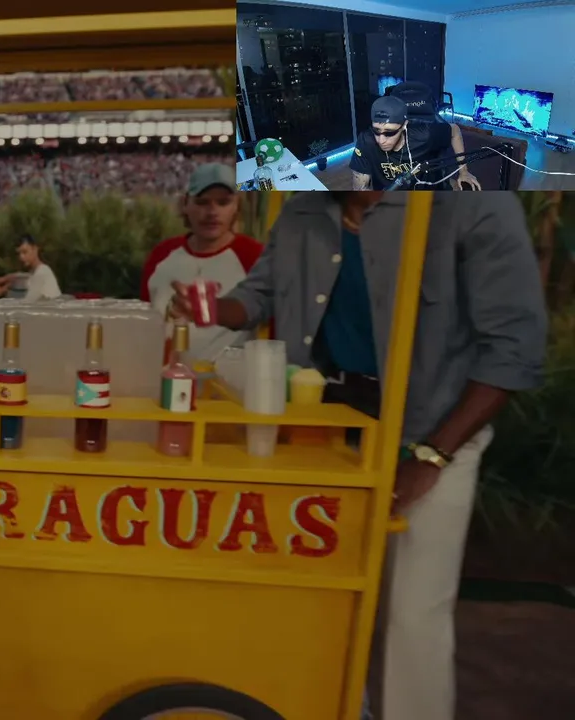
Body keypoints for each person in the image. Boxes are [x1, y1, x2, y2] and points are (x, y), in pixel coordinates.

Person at [169, 191, 546, 720]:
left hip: (432, 432)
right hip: (325, 432)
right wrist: (213, 308)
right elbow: (262, 293)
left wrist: (432, 456)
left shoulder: (472, 202)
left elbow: (515, 348)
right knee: (318, 601)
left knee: (409, 616)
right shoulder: (303, 208)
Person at [141, 163, 261, 361]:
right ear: (185, 205)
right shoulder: (161, 255)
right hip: (163, 374)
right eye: (202, 202)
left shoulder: (253, 256)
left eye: (223, 202)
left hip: (229, 378)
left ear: (236, 206)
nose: (212, 212)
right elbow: (145, 323)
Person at [350, 96, 481, 191]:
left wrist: (463, 171)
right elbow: (360, 188)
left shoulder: (425, 135)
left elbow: (455, 131)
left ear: (404, 125)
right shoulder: (366, 141)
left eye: (390, 133)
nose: (381, 140)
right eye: (376, 131)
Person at [14, 235, 62, 301]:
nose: (21, 257)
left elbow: (29, 301)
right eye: (18, 254)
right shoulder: (35, 273)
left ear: (35, 249)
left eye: (25, 252)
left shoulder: (42, 273)